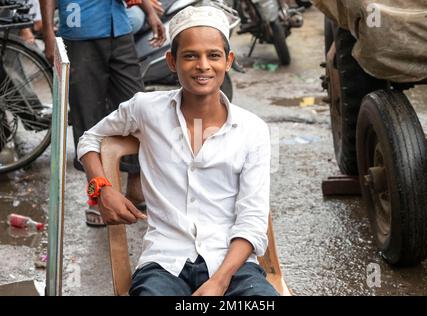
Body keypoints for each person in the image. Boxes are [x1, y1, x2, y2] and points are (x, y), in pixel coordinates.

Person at [77, 5, 278, 296]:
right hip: (164, 262)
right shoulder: (147, 109)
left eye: (213, 56)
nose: (203, 66)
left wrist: (219, 282)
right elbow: (90, 139)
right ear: (172, 61)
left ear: (228, 60)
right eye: (190, 56)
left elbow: (252, 221)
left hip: (232, 266)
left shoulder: (252, 130)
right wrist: (102, 188)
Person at [40, 0, 165, 226]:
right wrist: (49, 33)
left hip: (119, 27)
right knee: (88, 113)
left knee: (137, 108)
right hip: (80, 31)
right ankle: (97, 196)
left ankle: (136, 188)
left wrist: (150, 13)